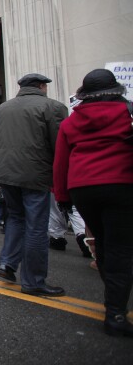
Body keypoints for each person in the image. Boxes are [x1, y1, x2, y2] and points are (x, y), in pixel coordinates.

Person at [53, 68, 133, 336]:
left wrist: (62, 197)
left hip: (83, 188)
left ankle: (114, 302)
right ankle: (116, 311)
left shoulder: (70, 122)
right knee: (121, 248)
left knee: (103, 244)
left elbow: (60, 163)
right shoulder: (129, 114)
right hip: (122, 183)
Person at [0, 73, 68, 296]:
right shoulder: (53, 107)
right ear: (41, 87)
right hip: (36, 174)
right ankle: (34, 281)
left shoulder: (1, 110)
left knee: (16, 219)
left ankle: (7, 264)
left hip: (5, 175)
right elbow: (61, 148)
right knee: (36, 227)